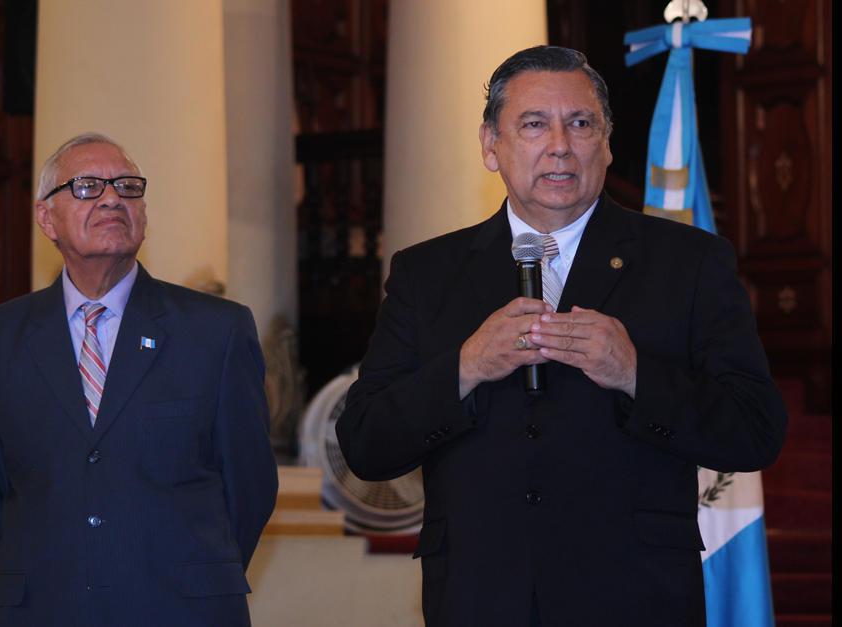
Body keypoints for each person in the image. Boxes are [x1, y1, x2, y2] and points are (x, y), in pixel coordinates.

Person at [335, 46, 786, 627]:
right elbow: (365, 444)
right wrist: (465, 367)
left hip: (635, 598)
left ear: (606, 143)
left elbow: (755, 431)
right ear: (490, 145)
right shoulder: (427, 274)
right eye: (533, 124)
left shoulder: (689, 262)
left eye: (580, 123)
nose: (560, 145)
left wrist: (636, 375)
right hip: (479, 598)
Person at [0, 132, 278, 626]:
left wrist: (195, 572)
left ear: (143, 214)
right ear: (46, 218)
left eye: (128, 187)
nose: (112, 198)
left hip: (184, 610)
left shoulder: (216, 331)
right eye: (87, 186)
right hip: (47, 608)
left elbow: (249, 486)